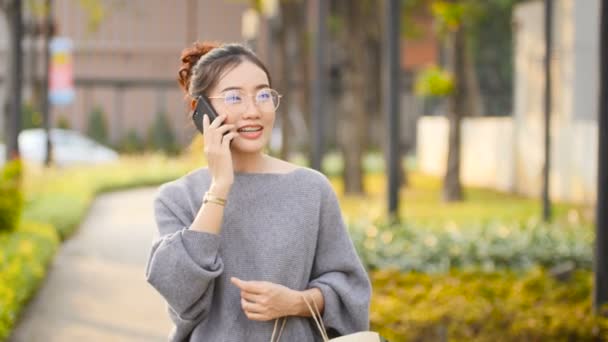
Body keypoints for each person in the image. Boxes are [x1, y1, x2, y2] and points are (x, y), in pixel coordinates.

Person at [145, 41, 371, 342]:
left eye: (263, 95)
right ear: (200, 109)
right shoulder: (176, 198)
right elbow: (180, 293)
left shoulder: (311, 189)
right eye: (234, 97)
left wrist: (296, 302)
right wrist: (220, 186)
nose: (253, 111)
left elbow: (350, 288)